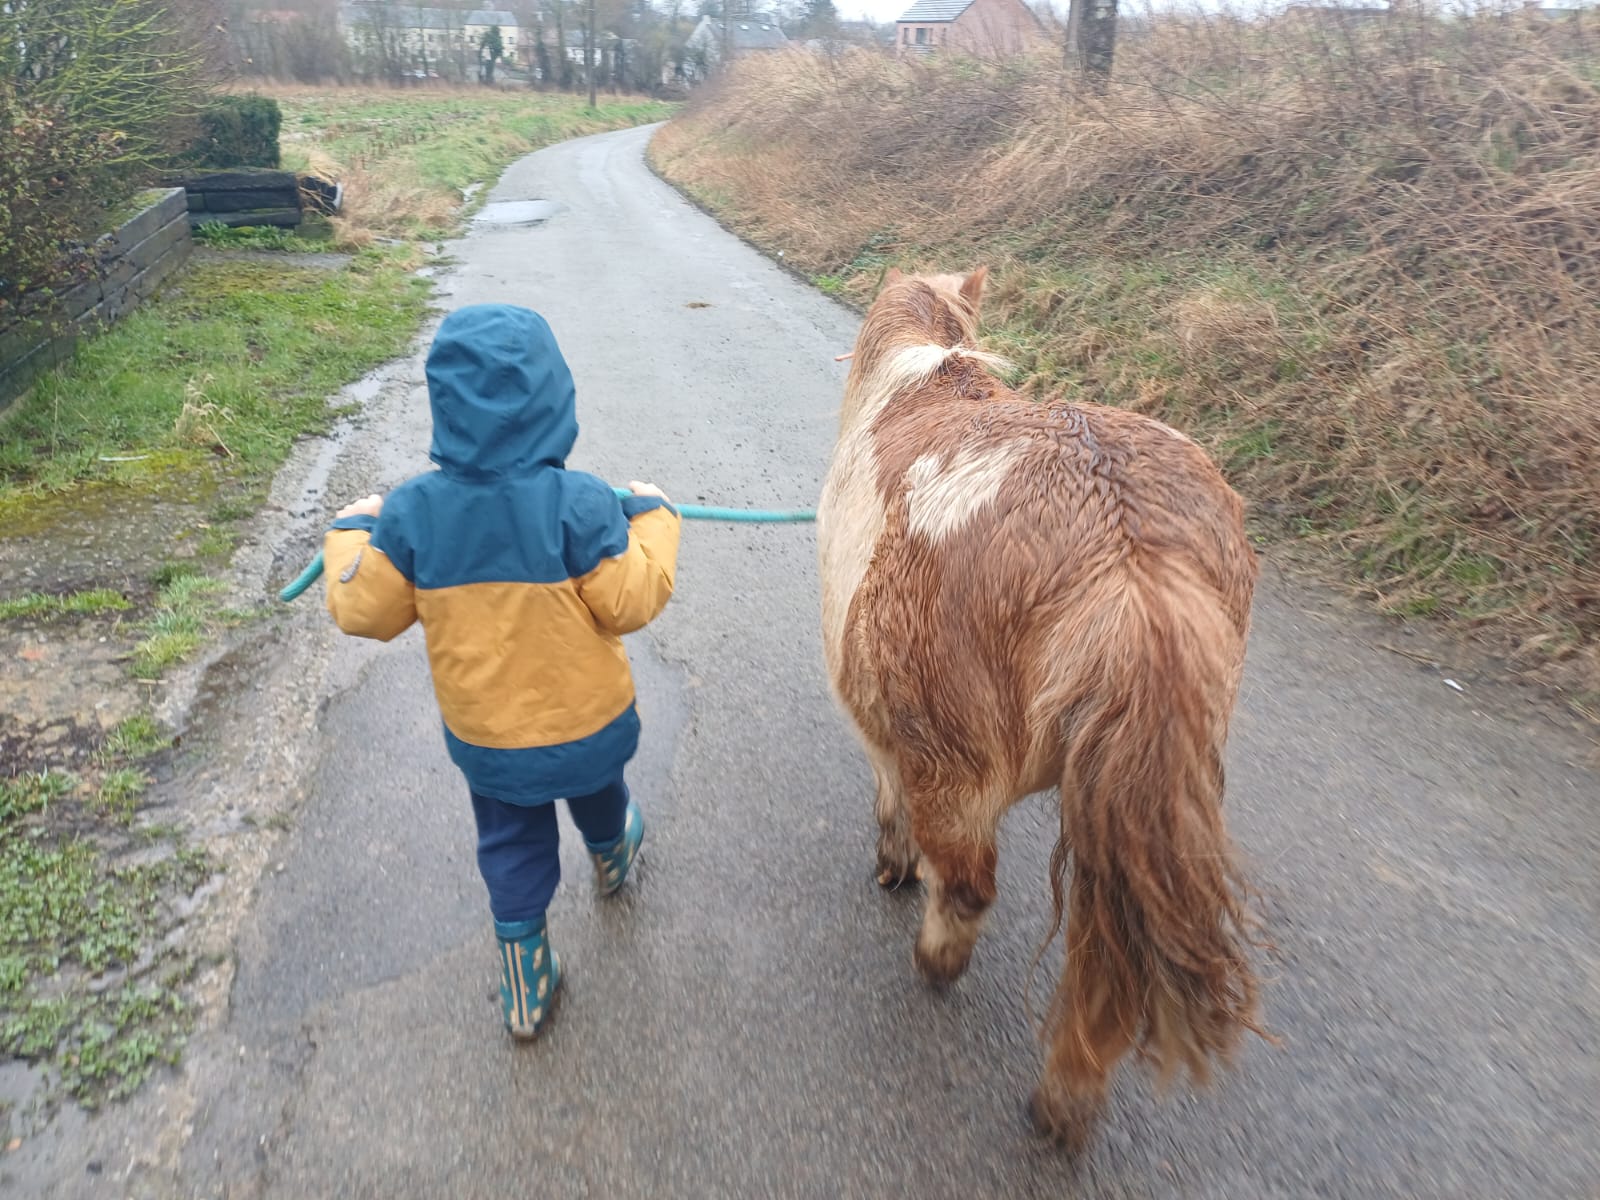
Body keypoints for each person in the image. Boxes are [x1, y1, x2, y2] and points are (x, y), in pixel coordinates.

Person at [321, 303, 680, 1040]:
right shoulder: (582, 504)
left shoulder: (414, 515)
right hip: (589, 725)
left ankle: (526, 986)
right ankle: (614, 860)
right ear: (555, 396)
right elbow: (632, 598)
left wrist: (349, 531)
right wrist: (655, 517)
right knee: (597, 788)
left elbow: (366, 612)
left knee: (510, 842)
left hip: (490, 740)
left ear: (445, 402)